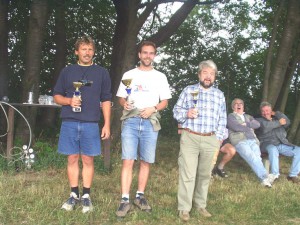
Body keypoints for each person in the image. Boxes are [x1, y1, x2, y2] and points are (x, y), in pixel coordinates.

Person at [53, 36, 112, 213]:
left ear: (94, 52)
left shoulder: (102, 72)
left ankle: (86, 196)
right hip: (70, 121)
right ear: (76, 52)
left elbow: (106, 99)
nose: (87, 52)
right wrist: (69, 101)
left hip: (91, 122)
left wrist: (107, 123)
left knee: (88, 159)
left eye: (90, 49)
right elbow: (57, 96)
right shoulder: (67, 71)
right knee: (72, 158)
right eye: (84, 49)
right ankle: (73, 195)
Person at [115, 41, 172, 218]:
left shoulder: (160, 77)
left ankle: (140, 196)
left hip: (150, 122)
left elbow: (165, 102)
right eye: (145, 53)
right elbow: (120, 98)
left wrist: (153, 109)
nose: (148, 56)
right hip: (131, 120)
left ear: (154, 55)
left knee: (146, 161)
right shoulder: (129, 74)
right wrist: (126, 103)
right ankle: (124, 200)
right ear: (139, 55)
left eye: (151, 53)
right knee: (128, 160)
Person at [173, 59, 227, 222]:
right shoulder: (189, 90)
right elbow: (176, 111)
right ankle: (184, 208)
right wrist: (186, 114)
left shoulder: (219, 95)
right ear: (199, 74)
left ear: (215, 77)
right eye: (205, 73)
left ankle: (200, 205)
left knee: (205, 175)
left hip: (211, 139)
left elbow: (222, 118)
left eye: (212, 74)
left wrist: (218, 139)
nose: (208, 76)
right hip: (190, 137)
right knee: (188, 173)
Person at [227, 98, 276, 188]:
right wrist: (249, 125)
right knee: (252, 156)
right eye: (236, 104)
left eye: (240, 103)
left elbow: (257, 124)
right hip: (239, 141)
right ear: (233, 107)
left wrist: (246, 124)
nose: (238, 105)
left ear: (243, 106)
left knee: (257, 157)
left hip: (252, 140)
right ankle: (265, 176)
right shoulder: (231, 116)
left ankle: (264, 181)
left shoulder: (248, 116)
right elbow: (236, 127)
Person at [255, 102, 300, 183]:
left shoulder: (276, 118)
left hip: (280, 144)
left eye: (267, 110)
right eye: (263, 111)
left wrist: (277, 113)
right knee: (273, 148)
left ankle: (293, 175)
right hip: (266, 144)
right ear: (261, 112)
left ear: (271, 110)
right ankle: (275, 174)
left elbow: (288, 122)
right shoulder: (258, 120)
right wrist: (279, 123)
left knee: (298, 151)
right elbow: (265, 127)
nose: (265, 113)